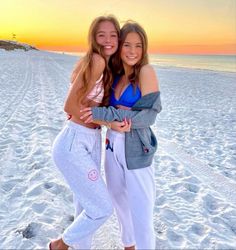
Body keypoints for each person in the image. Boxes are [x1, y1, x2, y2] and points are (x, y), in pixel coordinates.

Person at [80, 21, 162, 249]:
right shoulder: (114, 75)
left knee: (142, 210)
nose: (133, 51)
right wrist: (112, 118)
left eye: (138, 45)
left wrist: (105, 114)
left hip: (136, 150)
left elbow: (148, 117)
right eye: (127, 45)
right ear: (119, 46)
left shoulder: (146, 71)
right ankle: (129, 245)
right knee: (118, 199)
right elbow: (99, 111)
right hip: (111, 145)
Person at [49, 15, 127, 250]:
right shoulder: (96, 60)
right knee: (102, 209)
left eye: (113, 34)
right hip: (75, 142)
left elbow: (83, 102)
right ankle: (59, 245)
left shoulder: (101, 63)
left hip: (88, 140)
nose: (108, 40)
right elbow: (70, 106)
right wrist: (109, 123)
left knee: (85, 207)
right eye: (101, 34)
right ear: (93, 38)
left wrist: (96, 113)